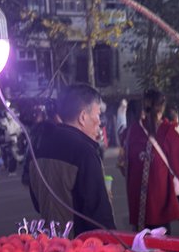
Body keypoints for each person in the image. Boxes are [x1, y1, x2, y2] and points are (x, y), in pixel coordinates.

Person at [28, 82, 115, 236]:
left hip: (49, 244)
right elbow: (99, 217)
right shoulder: (84, 151)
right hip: (81, 249)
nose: (100, 121)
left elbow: (37, 202)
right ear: (82, 117)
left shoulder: (38, 146)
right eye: (98, 114)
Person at [124, 88, 179, 233]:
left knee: (139, 247)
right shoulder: (168, 132)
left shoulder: (132, 130)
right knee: (160, 248)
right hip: (161, 204)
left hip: (137, 204)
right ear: (163, 107)